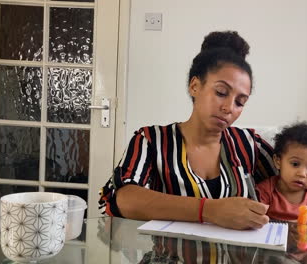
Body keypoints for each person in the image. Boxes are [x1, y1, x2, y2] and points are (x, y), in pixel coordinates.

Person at [98, 30, 277, 231]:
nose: (229, 108)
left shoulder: (250, 144)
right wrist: (209, 210)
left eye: (240, 102)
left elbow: (298, 186)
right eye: (221, 92)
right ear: (194, 86)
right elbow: (122, 198)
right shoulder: (152, 140)